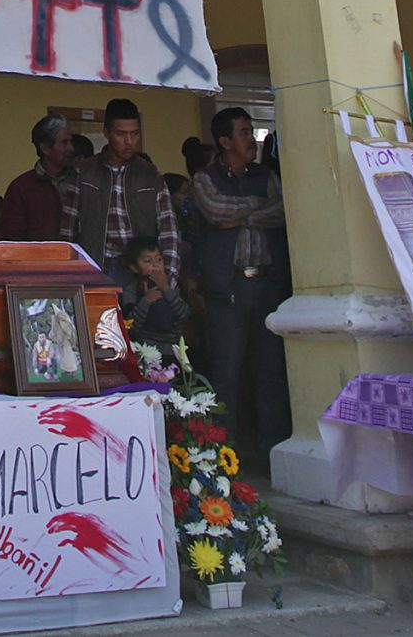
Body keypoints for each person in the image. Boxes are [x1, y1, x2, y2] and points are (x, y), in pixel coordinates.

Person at [187, 106, 290, 457]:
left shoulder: (265, 174)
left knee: (270, 369)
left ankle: (272, 451)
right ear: (225, 140)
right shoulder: (205, 177)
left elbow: (282, 210)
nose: (252, 139)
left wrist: (240, 213)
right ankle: (223, 452)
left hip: (266, 283)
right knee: (226, 371)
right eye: (245, 132)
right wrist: (256, 207)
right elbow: (214, 210)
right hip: (227, 287)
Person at [60, 97, 181, 286]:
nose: (129, 141)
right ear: (106, 133)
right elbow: (68, 231)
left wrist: (167, 280)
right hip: (95, 269)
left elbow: (169, 231)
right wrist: (69, 277)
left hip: (142, 274)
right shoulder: (83, 172)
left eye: (134, 134)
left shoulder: (151, 175)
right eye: (121, 134)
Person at [1, 114, 70, 240]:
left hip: (79, 258)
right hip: (36, 258)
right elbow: (13, 237)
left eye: (70, 142)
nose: (71, 148)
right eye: (64, 143)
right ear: (45, 148)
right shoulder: (21, 188)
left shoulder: (80, 181)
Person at [119, 235, 185, 343]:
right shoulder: (131, 290)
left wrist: (166, 289)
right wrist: (147, 300)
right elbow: (131, 327)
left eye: (159, 259)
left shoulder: (172, 285)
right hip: (143, 347)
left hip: (172, 347)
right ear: (134, 267)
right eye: (147, 261)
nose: (155, 264)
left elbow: (184, 315)